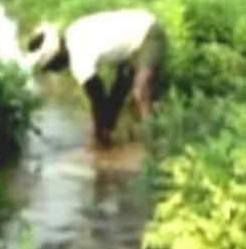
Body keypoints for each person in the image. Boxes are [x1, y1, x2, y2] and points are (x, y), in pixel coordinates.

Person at [23, 8, 166, 147]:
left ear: (57, 55)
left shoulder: (79, 57)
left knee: (140, 92)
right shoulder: (73, 32)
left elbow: (97, 98)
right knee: (120, 91)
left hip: (148, 34)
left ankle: (156, 145)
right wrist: (106, 128)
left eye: (52, 65)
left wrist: (98, 135)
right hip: (135, 37)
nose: (55, 70)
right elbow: (110, 98)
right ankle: (138, 135)